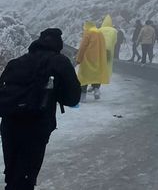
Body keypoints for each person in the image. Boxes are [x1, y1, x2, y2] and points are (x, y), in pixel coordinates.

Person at [0, 27, 80, 190]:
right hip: (36, 125)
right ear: (58, 44)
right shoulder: (60, 62)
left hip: (9, 123)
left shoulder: (16, 62)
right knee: (26, 176)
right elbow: (72, 98)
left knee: (13, 173)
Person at [76, 21, 108, 101]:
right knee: (96, 75)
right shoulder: (100, 33)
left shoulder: (88, 33)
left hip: (88, 58)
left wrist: (79, 59)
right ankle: (96, 90)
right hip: (99, 58)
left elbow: (83, 46)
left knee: (84, 76)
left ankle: (83, 96)